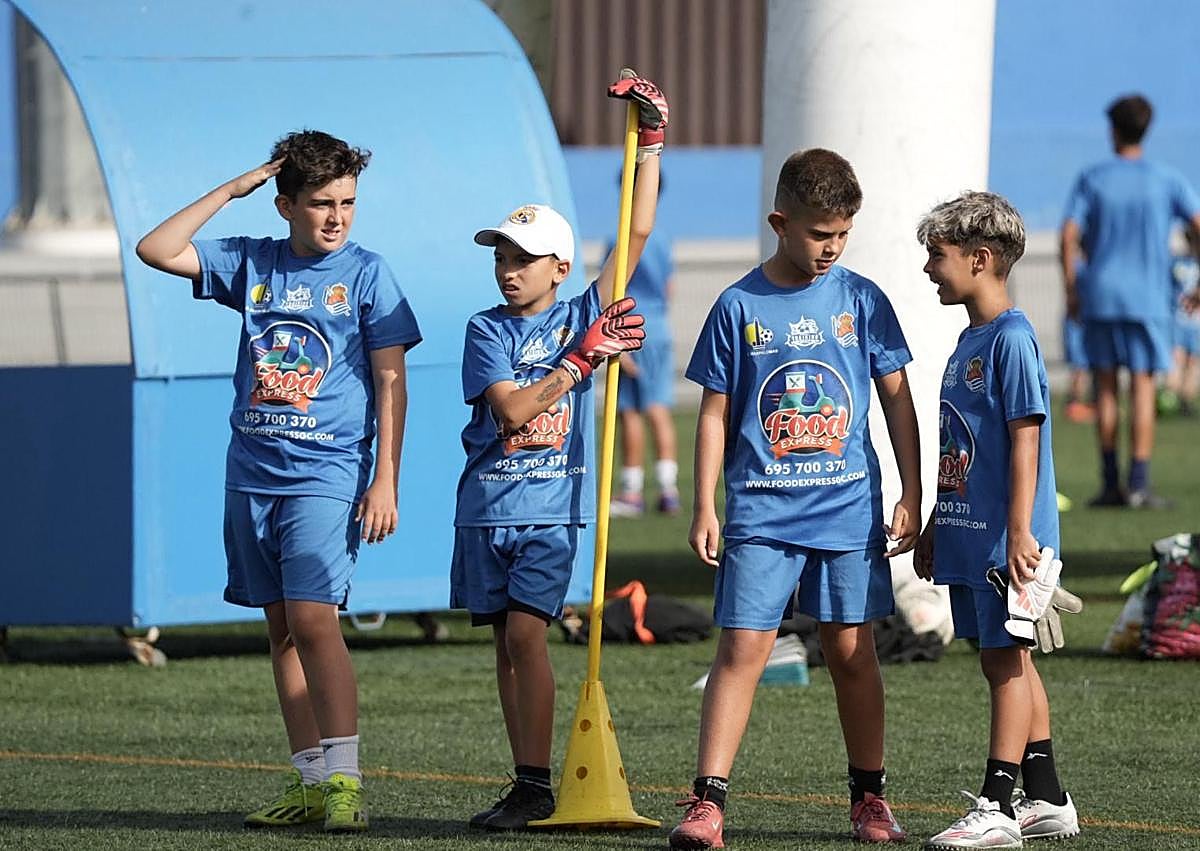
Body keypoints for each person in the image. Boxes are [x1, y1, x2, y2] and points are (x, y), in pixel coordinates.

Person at [135, 130, 422, 833]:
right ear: (285, 204)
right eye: (322, 203)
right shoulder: (253, 262)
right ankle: (311, 781)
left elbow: (391, 380)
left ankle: (346, 782)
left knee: (314, 618)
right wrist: (233, 189)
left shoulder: (368, 274)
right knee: (281, 630)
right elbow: (156, 248)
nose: (337, 217)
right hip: (251, 474)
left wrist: (385, 478)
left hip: (328, 473)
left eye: (347, 202)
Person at [670, 148, 920, 848]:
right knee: (743, 648)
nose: (831, 247)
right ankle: (707, 804)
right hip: (760, 512)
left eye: (842, 233)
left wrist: (912, 489)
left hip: (847, 510)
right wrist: (704, 504)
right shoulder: (737, 305)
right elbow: (714, 412)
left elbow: (897, 399)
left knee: (851, 650)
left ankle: (869, 798)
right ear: (780, 223)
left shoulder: (863, 300)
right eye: (818, 233)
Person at [450, 72, 667, 831]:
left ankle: (536, 783)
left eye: (525, 257)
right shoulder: (485, 329)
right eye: (502, 256)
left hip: (550, 507)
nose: (509, 269)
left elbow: (636, 231)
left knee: (526, 634)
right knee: (504, 649)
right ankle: (525, 777)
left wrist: (651, 140)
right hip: (485, 508)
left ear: (560, 268)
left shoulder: (582, 309)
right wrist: (581, 361)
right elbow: (512, 410)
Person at [915, 191, 1079, 849]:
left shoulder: (1011, 338)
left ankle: (996, 804)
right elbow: (964, 445)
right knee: (1007, 660)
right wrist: (937, 518)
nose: (929, 267)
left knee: (1004, 661)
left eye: (938, 254)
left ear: (980, 258)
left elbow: (1024, 439)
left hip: (1005, 540)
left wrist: (1020, 532)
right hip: (970, 530)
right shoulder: (970, 339)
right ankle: (1049, 797)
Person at [1060, 93, 1200, 508]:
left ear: (1113, 131)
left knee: (1105, 388)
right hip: (1149, 298)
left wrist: (1072, 288)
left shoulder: (1093, 178)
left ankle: (1109, 483)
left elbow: (1068, 235)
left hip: (1101, 294)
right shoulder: (1166, 179)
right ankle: (1138, 484)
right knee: (1142, 387)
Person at [605, 212, 681, 517]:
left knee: (631, 411)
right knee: (659, 407)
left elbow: (610, 287)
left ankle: (631, 492)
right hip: (659, 328)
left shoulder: (618, 236)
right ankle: (668, 491)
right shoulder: (663, 238)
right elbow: (669, 287)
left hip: (631, 327)